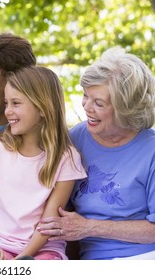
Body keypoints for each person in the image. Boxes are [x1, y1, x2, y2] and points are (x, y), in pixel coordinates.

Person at [37, 47, 155, 260]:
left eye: (98, 103)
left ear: (125, 109)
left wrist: (90, 227)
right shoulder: (76, 139)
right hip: (91, 261)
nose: (86, 107)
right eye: (85, 96)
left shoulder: (151, 151)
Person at [0, 66, 87, 260]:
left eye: (16, 103)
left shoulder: (65, 157)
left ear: (42, 108)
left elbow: (48, 220)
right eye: (7, 103)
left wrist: (22, 259)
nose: (8, 111)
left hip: (44, 249)